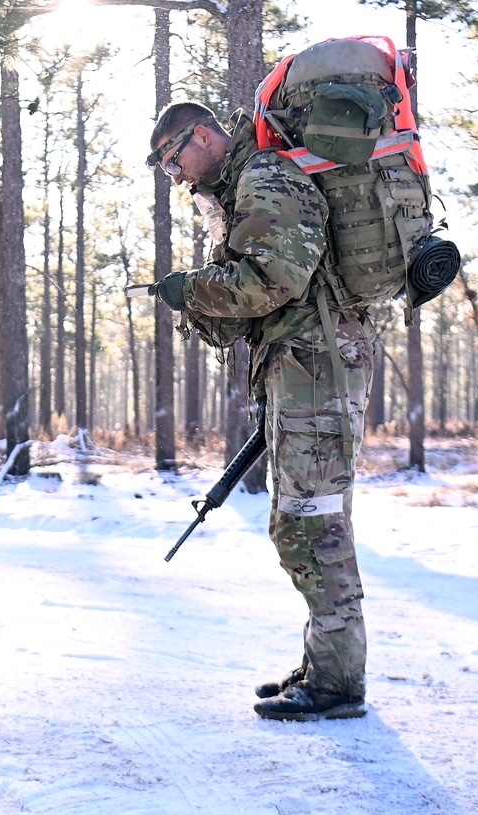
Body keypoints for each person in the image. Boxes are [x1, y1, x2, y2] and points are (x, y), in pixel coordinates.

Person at [147, 100, 371, 722]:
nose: (179, 178)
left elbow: (275, 279)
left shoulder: (266, 177)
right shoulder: (243, 187)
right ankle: (326, 666)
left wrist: (188, 289)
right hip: (300, 365)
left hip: (317, 363)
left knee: (313, 521)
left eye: (175, 162)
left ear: (204, 136)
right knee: (297, 520)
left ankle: (337, 684)